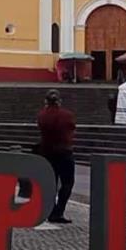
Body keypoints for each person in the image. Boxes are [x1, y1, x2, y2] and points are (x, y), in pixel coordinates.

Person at [37, 90, 77, 224]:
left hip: (47, 153)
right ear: (59, 101)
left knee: (50, 183)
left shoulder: (42, 115)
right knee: (67, 183)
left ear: (46, 102)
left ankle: (51, 210)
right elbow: (71, 128)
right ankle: (58, 211)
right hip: (64, 152)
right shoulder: (67, 115)